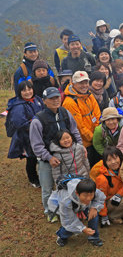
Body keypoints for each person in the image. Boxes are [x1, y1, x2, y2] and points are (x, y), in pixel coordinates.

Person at [29, 87, 83, 221]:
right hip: (46, 159)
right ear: (44, 101)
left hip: (67, 156)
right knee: (47, 187)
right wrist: (48, 157)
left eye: (57, 97)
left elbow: (74, 131)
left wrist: (80, 146)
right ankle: (50, 212)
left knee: (67, 184)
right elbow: (36, 145)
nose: (55, 100)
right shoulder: (38, 120)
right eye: (51, 98)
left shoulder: (65, 113)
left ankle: (70, 208)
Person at [6, 81, 44, 187]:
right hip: (27, 137)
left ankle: (43, 176)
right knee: (31, 158)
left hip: (40, 134)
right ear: (20, 92)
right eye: (24, 90)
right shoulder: (18, 106)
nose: (27, 92)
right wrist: (35, 124)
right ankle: (33, 179)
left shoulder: (37, 99)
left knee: (40, 155)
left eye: (29, 89)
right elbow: (20, 124)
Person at [51, 178, 106, 247]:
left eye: (91, 195)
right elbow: (69, 220)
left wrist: (94, 207)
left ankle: (93, 237)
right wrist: (83, 229)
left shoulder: (92, 191)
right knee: (69, 226)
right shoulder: (66, 202)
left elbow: (100, 197)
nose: (89, 198)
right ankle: (62, 236)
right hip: (69, 208)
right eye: (85, 195)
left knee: (93, 215)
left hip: (82, 204)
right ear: (77, 193)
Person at [62, 71, 102, 166]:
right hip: (83, 144)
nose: (84, 85)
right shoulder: (69, 103)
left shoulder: (89, 95)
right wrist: (94, 138)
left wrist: (97, 133)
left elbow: (97, 114)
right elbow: (79, 127)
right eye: (81, 83)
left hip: (95, 139)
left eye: (86, 82)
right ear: (73, 83)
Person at [95, 147, 123, 226]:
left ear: (120, 157)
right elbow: (100, 198)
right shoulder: (102, 179)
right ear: (105, 162)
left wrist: (119, 194)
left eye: (115, 158)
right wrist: (103, 214)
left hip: (119, 197)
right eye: (109, 160)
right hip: (108, 202)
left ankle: (118, 212)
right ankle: (112, 216)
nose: (113, 162)